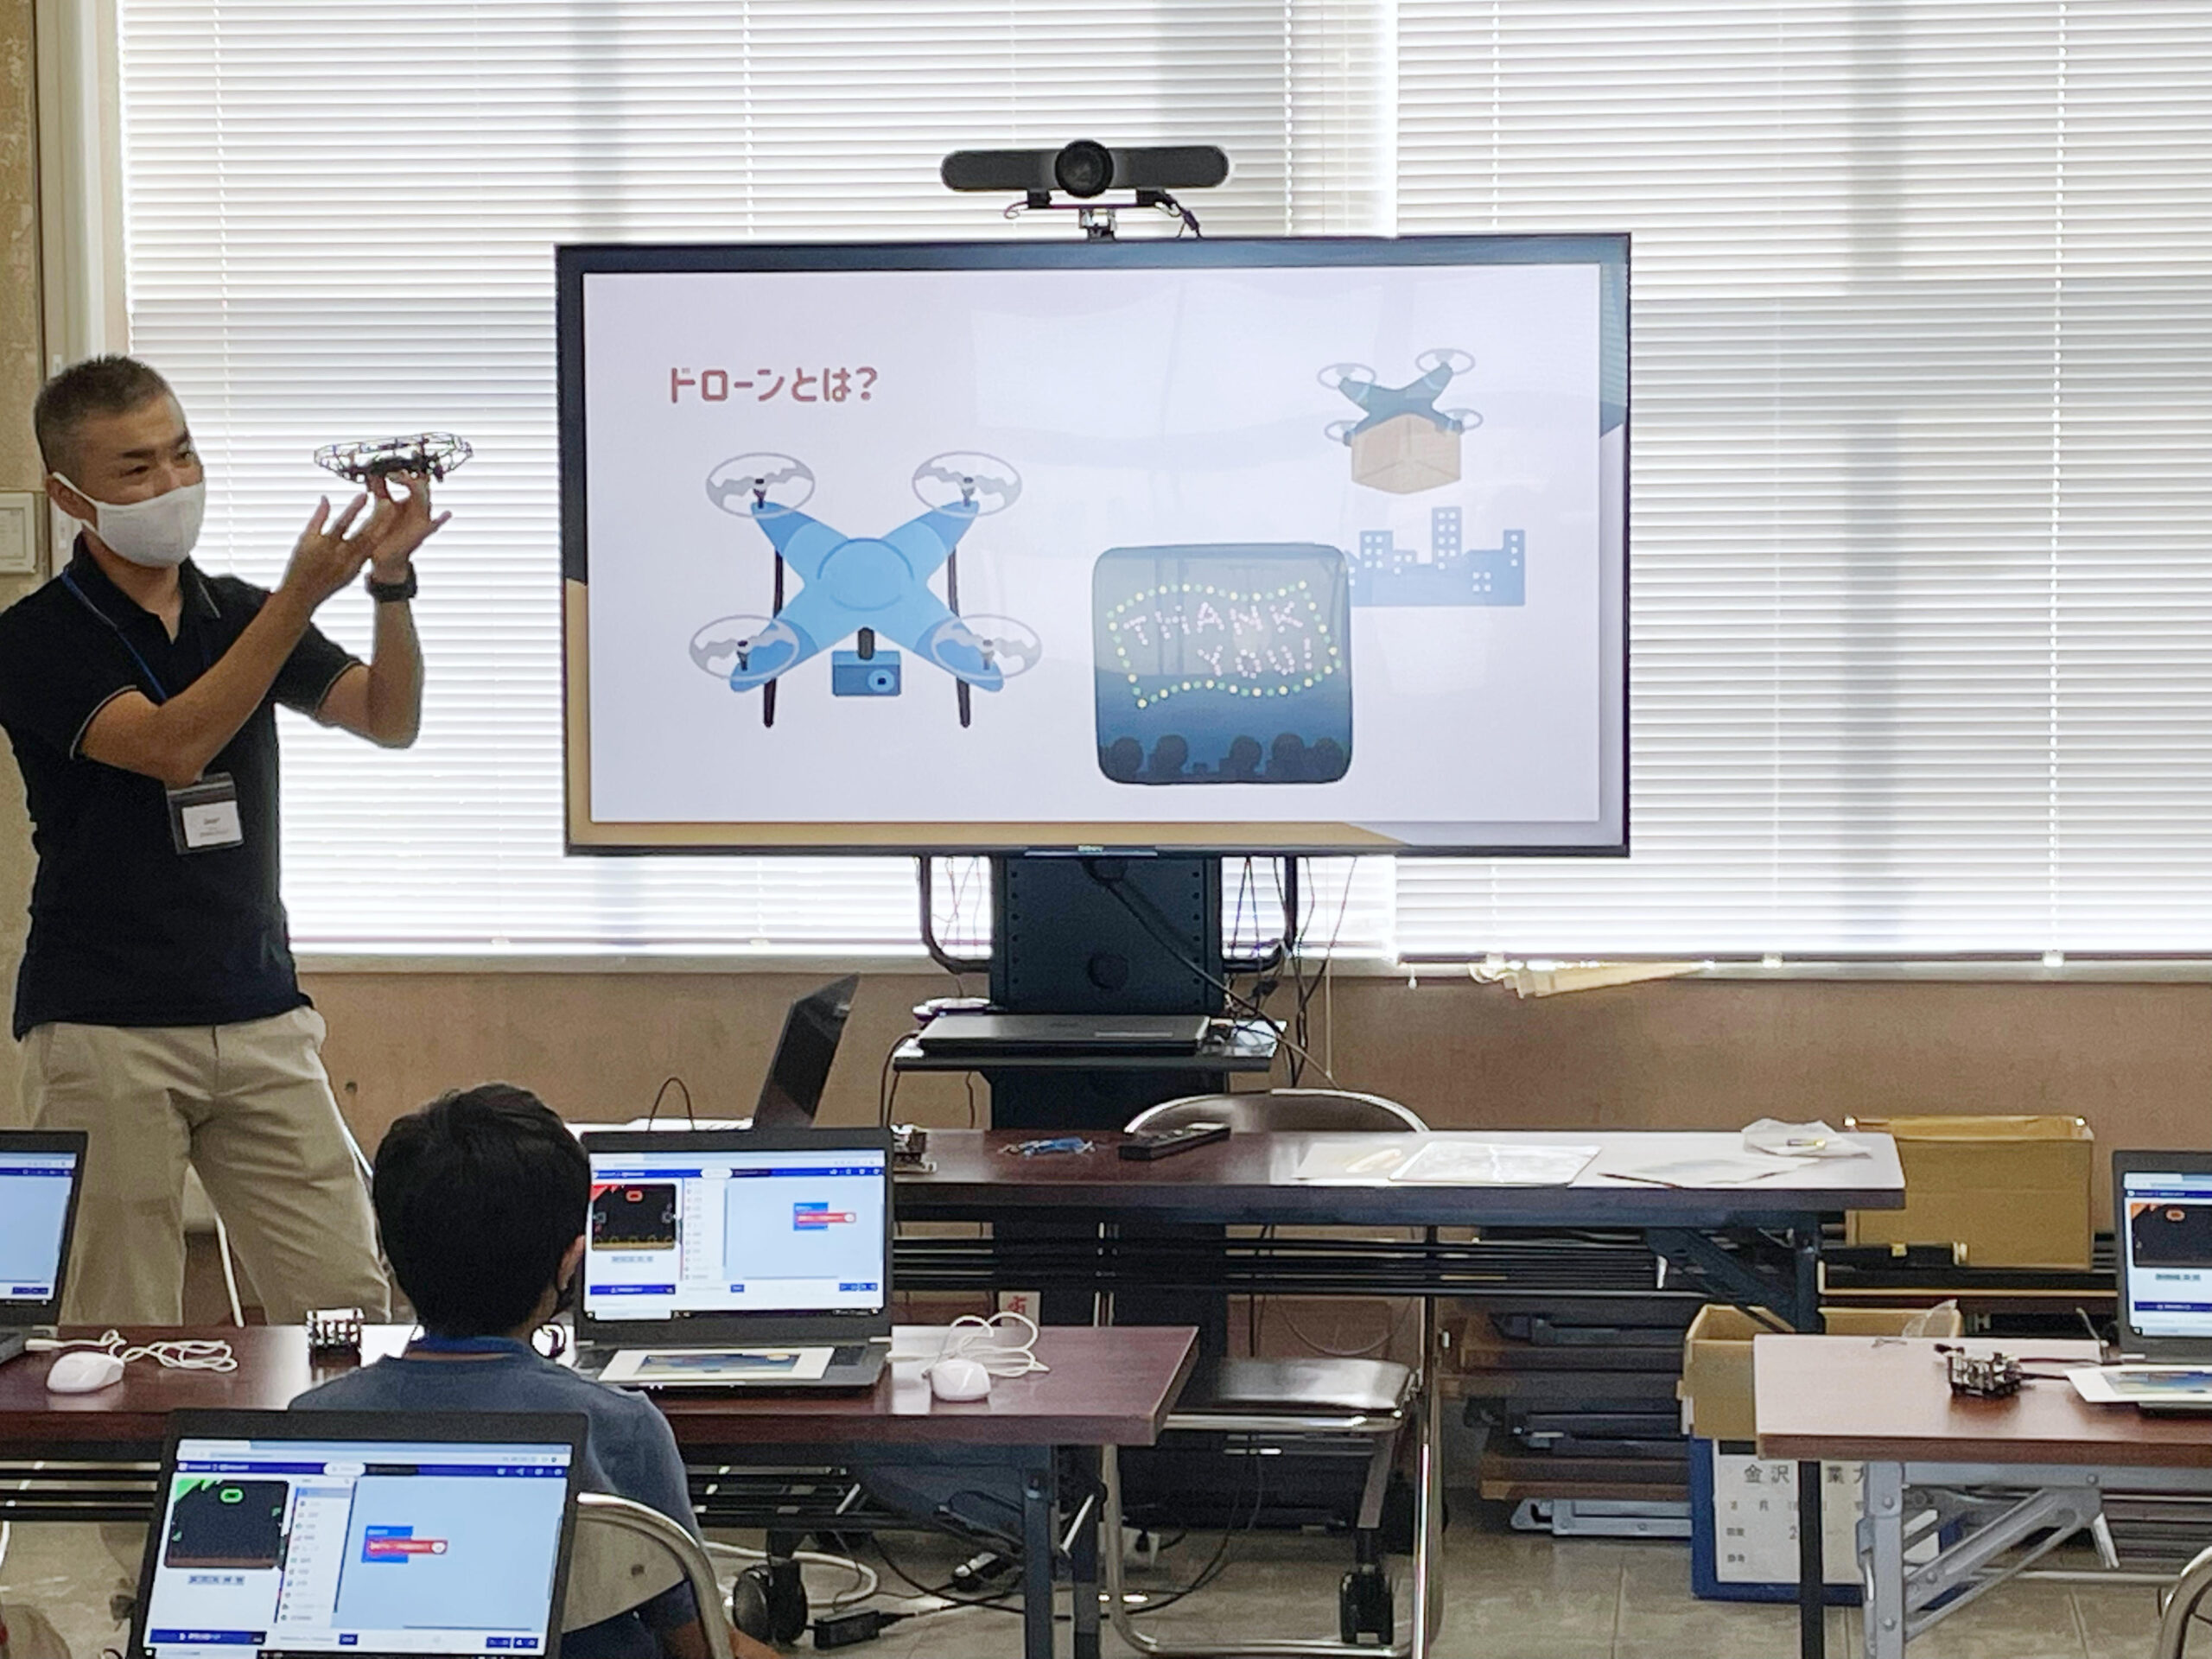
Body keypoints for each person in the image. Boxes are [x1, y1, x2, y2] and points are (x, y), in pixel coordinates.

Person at [0, 354, 442, 1324]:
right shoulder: (35, 639)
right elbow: (172, 747)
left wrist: (389, 583)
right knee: (113, 1326)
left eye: (183, 453)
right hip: (104, 1026)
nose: (172, 483)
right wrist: (297, 599)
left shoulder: (235, 612)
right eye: (137, 469)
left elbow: (388, 716)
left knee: (344, 1305)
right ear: (69, 496)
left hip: (257, 1009)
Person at [291, 1084, 772, 1659]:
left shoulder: (312, 1425)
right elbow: (702, 1647)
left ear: (391, 1258)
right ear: (570, 1263)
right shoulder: (622, 1430)